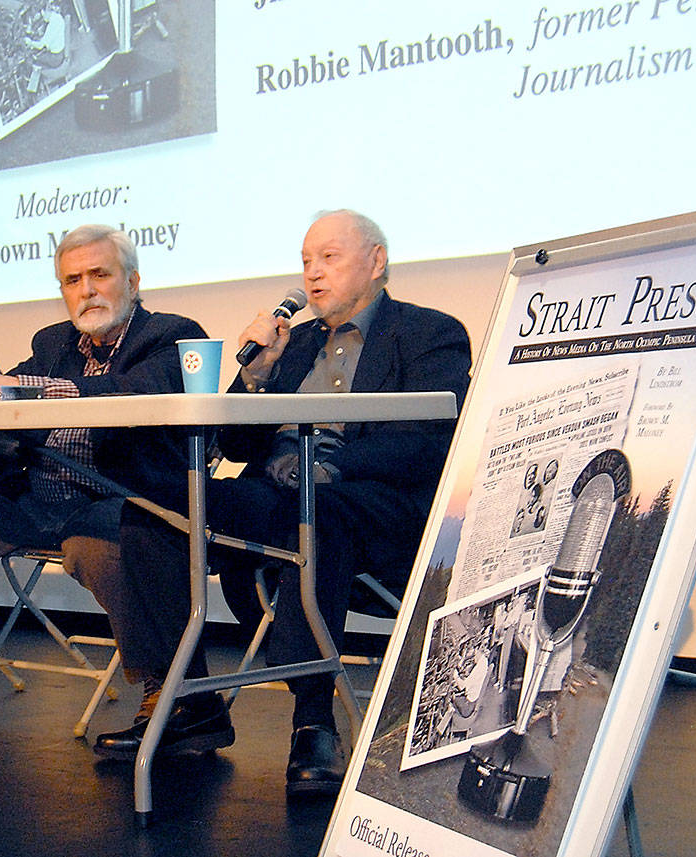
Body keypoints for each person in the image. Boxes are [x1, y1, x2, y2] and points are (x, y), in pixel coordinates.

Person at [105, 210, 472, 796]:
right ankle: (185, 702)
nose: (313, 274)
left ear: (376, 262)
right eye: (306, 262)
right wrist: (256, 377)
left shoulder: (430, 333)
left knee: (314, 515)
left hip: (366, 501)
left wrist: (330, 467)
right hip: (274, 493)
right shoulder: (294, 344)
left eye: (330, 258)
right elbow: (236, 442)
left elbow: (426, 444)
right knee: (153, 510)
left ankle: (314, 723)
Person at [0, 224, 208, 738]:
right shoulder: (52, 342)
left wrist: (27, 387)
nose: (87, 290)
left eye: (100, 274)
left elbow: (129, 392)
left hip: (115, 499)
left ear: (134, 280)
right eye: (73, 280)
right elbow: (5, 399)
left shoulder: (169, 334)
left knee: (98, 546)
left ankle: (173, 689)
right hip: (38, 499)